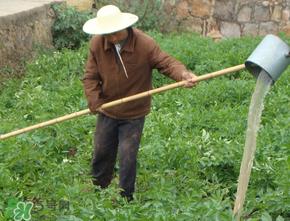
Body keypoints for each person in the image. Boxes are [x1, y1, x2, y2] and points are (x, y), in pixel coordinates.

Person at [82, 4, 198, 201]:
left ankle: (125, 199)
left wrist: (183, 75)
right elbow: (90, 77)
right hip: (107, 110)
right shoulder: (97, 44)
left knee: (128, 157)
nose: (110, 38)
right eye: (106, 34)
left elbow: (166, 63)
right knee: (101, 152)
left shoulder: (144, 44)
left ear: (124, 27)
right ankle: (98, 192)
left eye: (114, 33)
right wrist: (95, 101)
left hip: (134, 114)